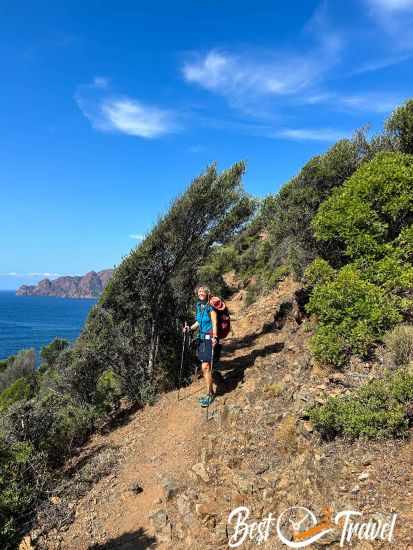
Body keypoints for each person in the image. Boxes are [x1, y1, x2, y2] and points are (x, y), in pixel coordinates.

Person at [184, 285, 220, 407]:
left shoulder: (211, 306)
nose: (200, 293)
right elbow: (198, 322)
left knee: (205, 366)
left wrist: (215, 337)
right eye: (199, 291)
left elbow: (214, 322)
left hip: (210, 338)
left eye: (202, 291)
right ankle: (210, 391)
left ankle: (210, 394)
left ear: (207, 293)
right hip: (201, 339)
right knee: (205, 367)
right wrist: (189, 328)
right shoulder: (199, 306)